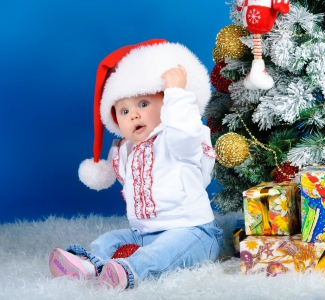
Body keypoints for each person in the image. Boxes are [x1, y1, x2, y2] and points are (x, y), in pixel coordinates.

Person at [49, 39, 224, 290]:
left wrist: (176, 93)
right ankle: (90, 263)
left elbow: (186, 130)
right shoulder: (124, 150)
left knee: (162, 253)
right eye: (123, 111)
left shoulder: (175, 137)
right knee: (109, 240)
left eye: (143, 104)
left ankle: (131, 271)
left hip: (193, 233)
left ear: (167, 104)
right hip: (143, 235)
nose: (134, 115)